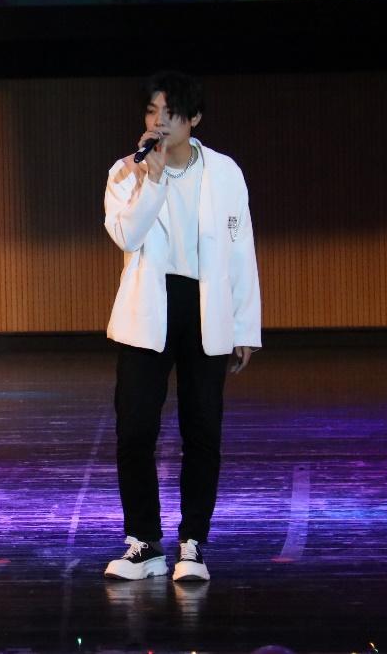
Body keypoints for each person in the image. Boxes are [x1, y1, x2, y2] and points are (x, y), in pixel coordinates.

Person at [101, 71, 261, 582]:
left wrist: (244, 326)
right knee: (135, 429)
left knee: (202, 430)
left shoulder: (225, 172)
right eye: (152, 111)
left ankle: (192, 543)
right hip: (148, 309)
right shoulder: (125, 172)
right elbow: (127, 236)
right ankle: (144, 543)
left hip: (205, 307)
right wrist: (151, 179)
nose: (159, 122)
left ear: (194, 118)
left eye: (170, 113)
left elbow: (240, 250)